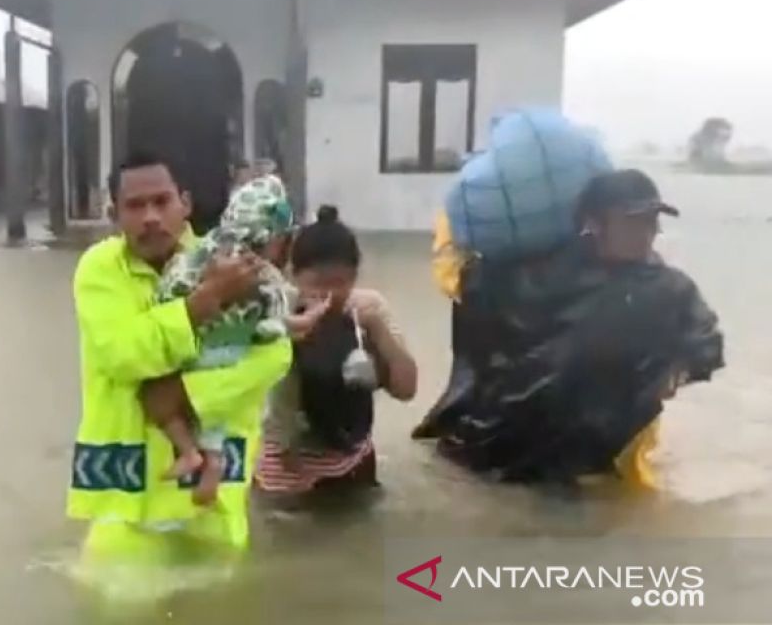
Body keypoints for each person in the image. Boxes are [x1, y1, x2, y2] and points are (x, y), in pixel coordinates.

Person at [68, 150, 296, 585]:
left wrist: (188, 396)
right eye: (135, 206)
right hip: (129, 503)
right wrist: (202, 303)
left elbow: (274, 352)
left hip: (213, 500)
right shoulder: (98, 270)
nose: (151, 217)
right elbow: (122, 353)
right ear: (114, 214)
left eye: (162, 201)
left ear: (185, 204)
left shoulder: (229, 260)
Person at [414, 169, 724, 487]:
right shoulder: (538, 274)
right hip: (513, 440)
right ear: (594, 223)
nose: (646, 232)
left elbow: (706, 340)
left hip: (601, 448)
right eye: (633, 221)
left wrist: (677, 371)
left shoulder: (670, 289)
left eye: (651, 221)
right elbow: (476, 300)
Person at [141, 174, 328, 506]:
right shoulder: (263, 273)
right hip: (230, 352)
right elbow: (275, 320)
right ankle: (206, 463)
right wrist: (292, 322)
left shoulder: (206, 253)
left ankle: (189, 454)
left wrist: (165, 309)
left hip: (198, 348)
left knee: (160, 401)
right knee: (214, 421)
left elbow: (174, 284)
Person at [256, 205, 419, 496]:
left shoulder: (369, 309)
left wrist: (378, 329)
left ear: (355, 277)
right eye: (318, 285)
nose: (329, 296)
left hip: (350, 455)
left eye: (341, 284)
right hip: (283, 460)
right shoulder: (277, 311)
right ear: (293, 275)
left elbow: (407, 389)